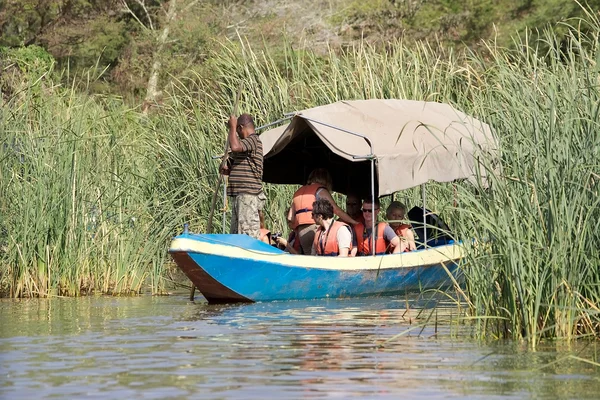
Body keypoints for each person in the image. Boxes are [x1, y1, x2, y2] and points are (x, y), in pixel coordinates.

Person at [289, 168, 358, 254]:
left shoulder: (297, 193)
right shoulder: (320, 190)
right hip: (315, 227)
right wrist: (354, 222)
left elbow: (290, 218)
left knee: (309, 257)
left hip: (301, 231)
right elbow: (336, 210)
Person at [219, 113, 263, 239]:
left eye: (237, 130)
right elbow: (225, 168)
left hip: (248, 196)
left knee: (247, 236)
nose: (236, 134)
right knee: (236, 236)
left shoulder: (253, 140)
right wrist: (225, 166)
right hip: (239, 196)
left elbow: (236, 146)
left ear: (241, 127)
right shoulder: (243, 148)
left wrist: (231, 127)